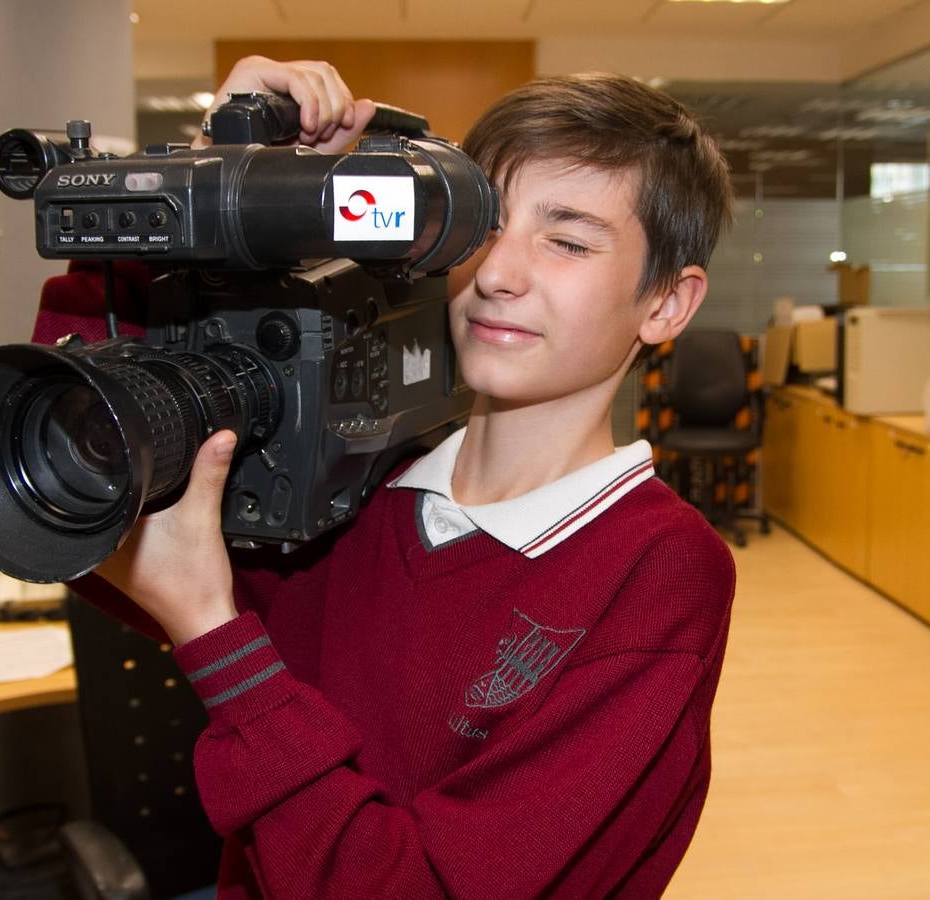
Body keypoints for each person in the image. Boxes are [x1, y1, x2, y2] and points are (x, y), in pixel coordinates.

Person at [67, 55, 736, 898]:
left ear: (667, 303)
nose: (497, 274)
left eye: (567, 241)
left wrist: (212, 630)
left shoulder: (659, 572)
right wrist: (215, 186)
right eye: (483, 226)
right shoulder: (352, 481)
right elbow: (84, 462)